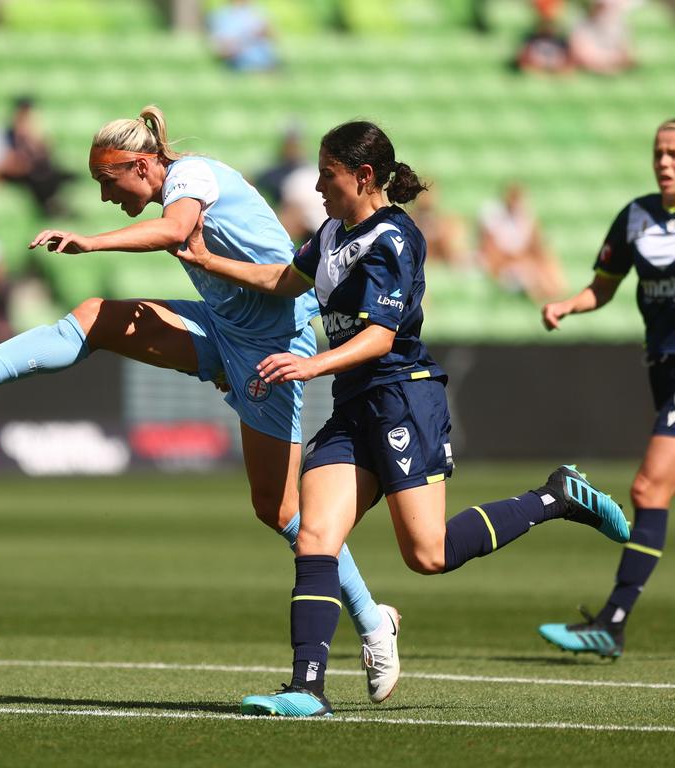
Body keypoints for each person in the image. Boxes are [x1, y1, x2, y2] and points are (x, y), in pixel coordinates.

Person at [0, 105, 404, 704]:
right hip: (225, 329)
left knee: (280, 508)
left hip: (273, 346)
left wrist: (93, 243)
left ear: (143, 164)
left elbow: (177, 231)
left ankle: (372, 620)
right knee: (95, 317)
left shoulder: (192, 177)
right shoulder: (175, 183)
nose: (104, 197)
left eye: (108, 181)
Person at [171, 120, 630, 717]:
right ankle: (307, 689)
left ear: (363, 177)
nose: (316, 185)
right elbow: (287, 280)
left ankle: (557, 496)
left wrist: (311, 368)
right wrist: (210, 260)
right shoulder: (334, 229)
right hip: (354, 402)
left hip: (402, 398)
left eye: (327, 174)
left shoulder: (393, 238)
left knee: (427, 554)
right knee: (315, 535)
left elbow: (382, 339)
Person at [537, 118, 675, 658]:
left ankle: (612, 623)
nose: (665, 162)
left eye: (674, 153)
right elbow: (604, 287)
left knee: (647, 489)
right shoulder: (636, 217)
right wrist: (570, 304)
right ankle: (611, 626)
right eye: (659, 152)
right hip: (661, 370)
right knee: (655, 492)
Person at [478, 182, 566, 302]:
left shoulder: (524, 217)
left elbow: (536, 244)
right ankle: (544, 301)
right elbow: (491, 252)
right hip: (505, 267)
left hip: (521, 262)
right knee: (529, 273)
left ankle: (556, 295)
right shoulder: (494, 216)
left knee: (548, 263)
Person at [207, 0, 278, 72]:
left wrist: (264, 32)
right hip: (238, 59)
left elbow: (273, 37)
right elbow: (220, 46)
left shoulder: (257, 12)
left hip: (263, 56)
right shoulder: (221, 16)